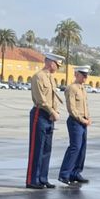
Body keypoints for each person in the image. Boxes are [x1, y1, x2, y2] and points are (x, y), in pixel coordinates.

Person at [25, 51, 62, 189]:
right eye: (57, 64)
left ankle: (42, 178)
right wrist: (52, 111)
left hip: (49, 116)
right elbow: (40, 99)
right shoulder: (38, 77)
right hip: (39, 114)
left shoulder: (51, 78)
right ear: (50, 63)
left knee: (46, 149)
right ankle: (32, 180)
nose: (58, 67)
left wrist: (55, 111)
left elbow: (54, 97)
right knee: (37, 148)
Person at [58, 65, 91, 186]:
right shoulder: (71, 88)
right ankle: (64, 174)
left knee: (82, 149)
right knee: (75, 147)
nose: (85, 78)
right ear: (76, 74)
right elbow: (71, 108)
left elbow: (85, 106)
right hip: (75, 121)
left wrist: (88, 117)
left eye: (86, 75)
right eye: (83, 75)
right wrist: (82, 119)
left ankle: (75, 173)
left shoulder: (82, 88)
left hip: (83, 121)